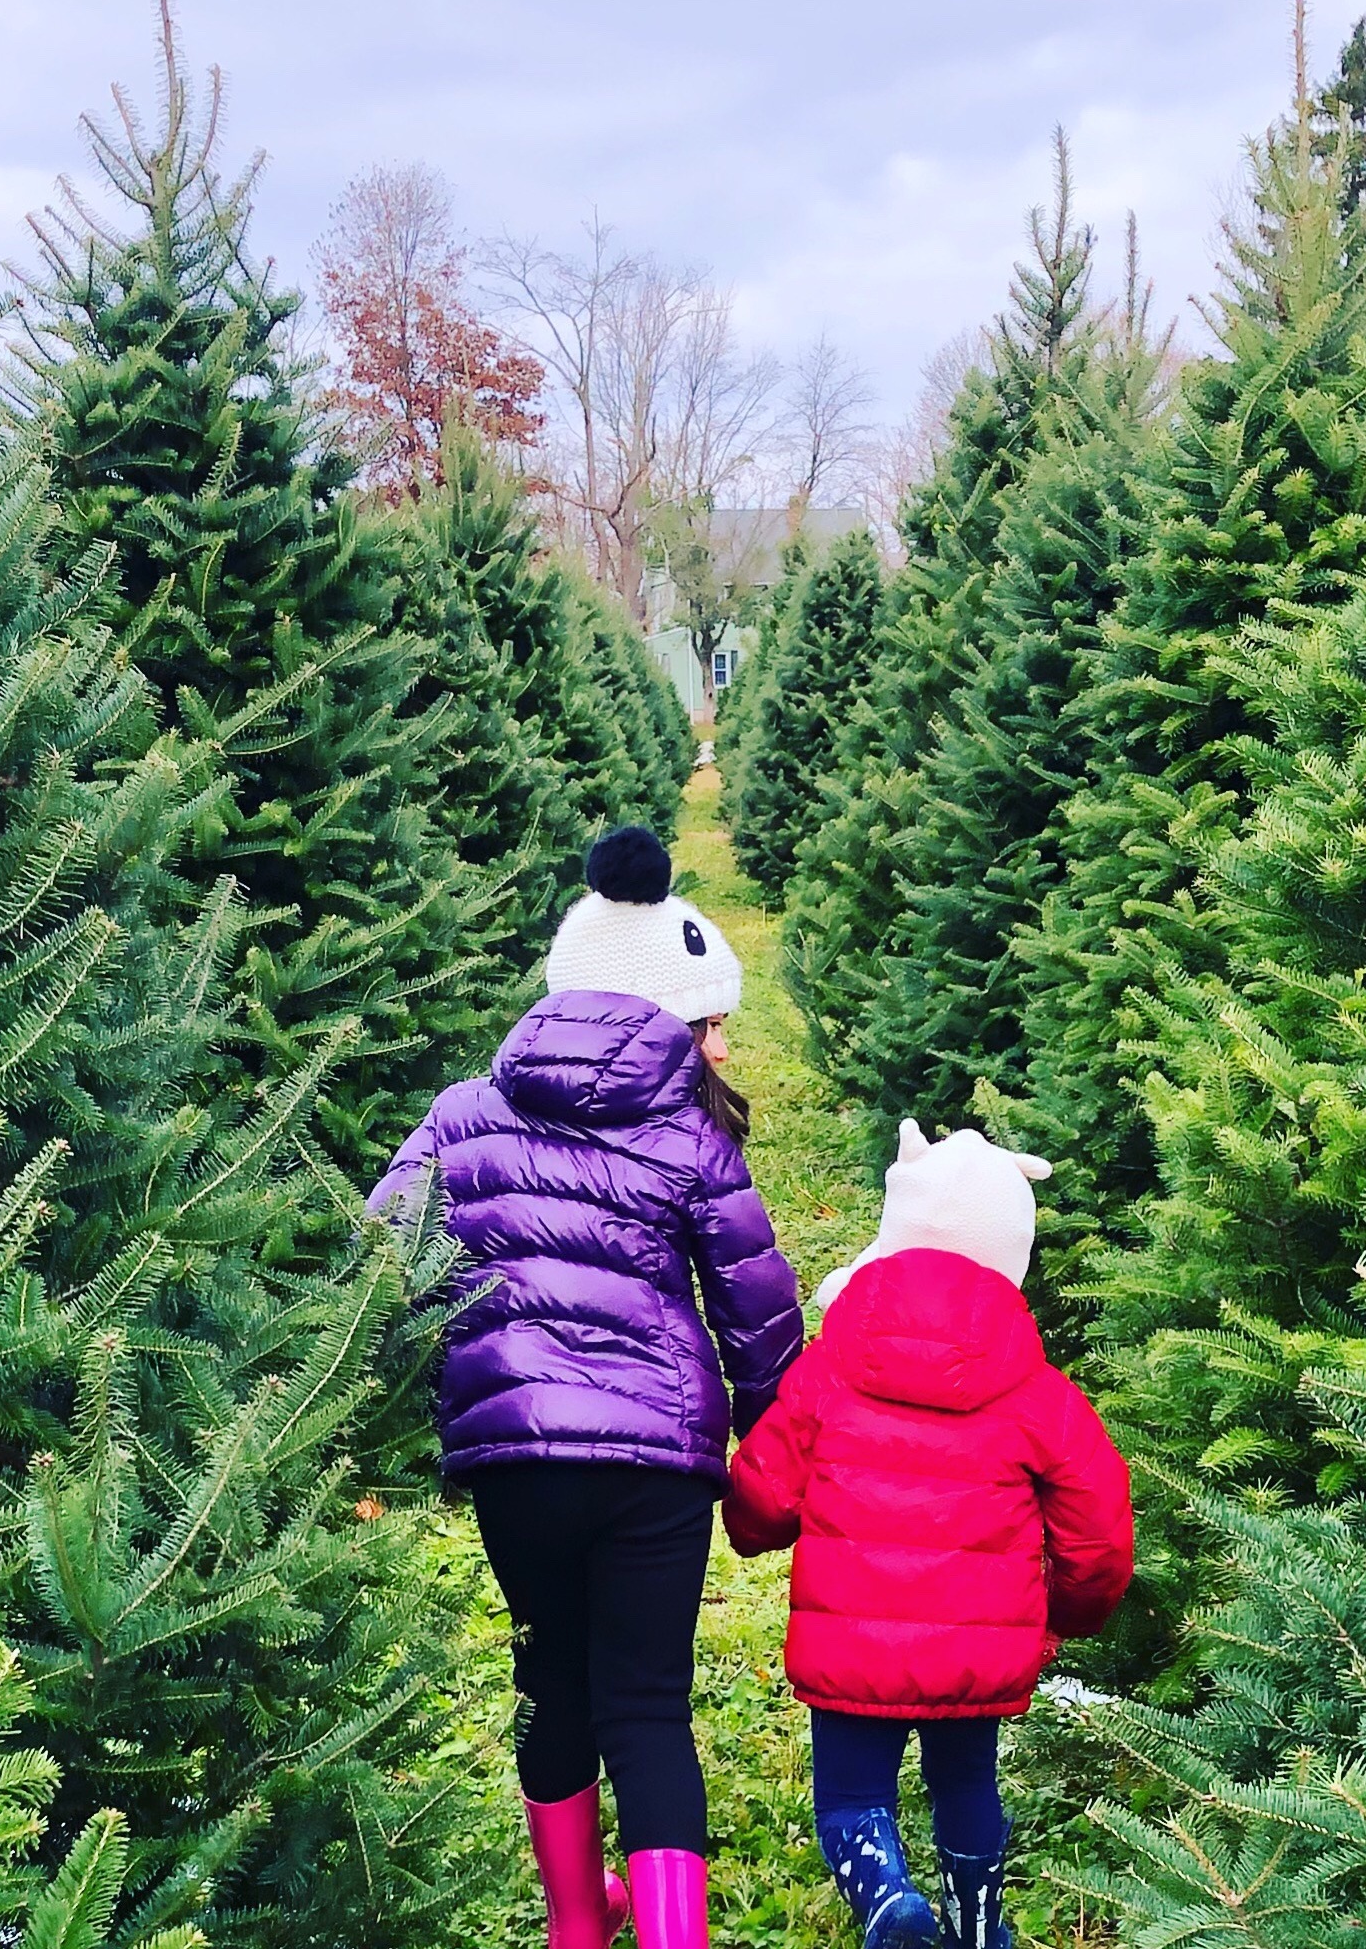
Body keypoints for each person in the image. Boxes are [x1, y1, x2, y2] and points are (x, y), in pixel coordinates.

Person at [372, 824, 802, 1949]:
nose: (719, 1046)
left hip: (513, 1449)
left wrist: (406, 1393)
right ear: (671, 1013)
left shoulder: (463, 1109)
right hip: (657, 1462)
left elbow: (383, 1253)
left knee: (547, 1678)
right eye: (712, 1024)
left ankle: (576, 1925)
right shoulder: (689, 1130)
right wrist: (781, 1434)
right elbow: (752, 1304)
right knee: (650, 1705)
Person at [725, 1121, 1135, 1949]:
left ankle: (889, 1905)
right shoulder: (1038, 1390)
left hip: (851, 1645)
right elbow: (1100, 1529)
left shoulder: (832, 1364)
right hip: (978, 1649)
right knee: (967, 1787)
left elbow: (764, 1487)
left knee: (850, 1799)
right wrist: (1068, 1615)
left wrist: (752, 1529)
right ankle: (980, 1927)